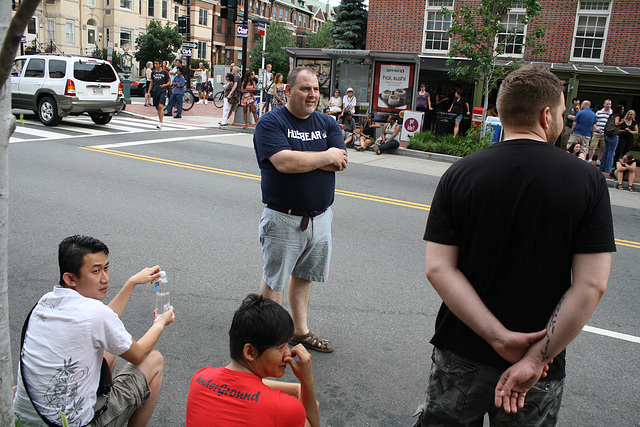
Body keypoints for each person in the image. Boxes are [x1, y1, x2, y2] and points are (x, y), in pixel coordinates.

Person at [413, 64, 615, 426]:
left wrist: (499, 337)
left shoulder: (460, 174)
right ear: (547, 114)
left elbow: (439, 268)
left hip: (463, 351)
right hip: (539, 363)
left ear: (501, 114)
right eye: (564, 113)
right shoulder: (587, 181)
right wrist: (536, 358)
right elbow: (592, 284)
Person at [14, 235, 175, 427]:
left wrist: (131, 283)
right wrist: (160, 323)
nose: (105, 278)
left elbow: (103, 320)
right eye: (96, 271)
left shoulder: (45, 302)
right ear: (70, 278)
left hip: (26, 419)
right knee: (153, 360)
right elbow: (138, 353)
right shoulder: (95, 314)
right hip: (68, 424)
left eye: (106, 268)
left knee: (108, 354)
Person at [253, 66, 348, 353]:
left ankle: (299, 331)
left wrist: (310, 159)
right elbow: (284, 163)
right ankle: (270, 340)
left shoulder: (327, 123)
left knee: (305, 276)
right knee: (275, 280)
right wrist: (324, 156)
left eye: (316, 89)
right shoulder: (271, 123)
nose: (312, 94)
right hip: (284, 218)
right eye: (305, 88)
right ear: (288, 91)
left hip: (320, 218)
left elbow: (340, 161)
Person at [185, 294, 319, 427]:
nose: (288, 353)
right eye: (281, 347)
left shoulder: (200, 377)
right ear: (250, 352)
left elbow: (241, 384)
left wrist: (296, 389)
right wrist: (307, 381)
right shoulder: (283, 407)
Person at [599, 104, 624, 174]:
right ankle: (608, 169)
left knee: (606, 151)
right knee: (611, 152)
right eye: (622, 109)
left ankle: (602, 167)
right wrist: (621, 122)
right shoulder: (617, 116)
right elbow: (616, 123)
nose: (623, 111)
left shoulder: (611, 115)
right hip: (613, 136)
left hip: (607, 135)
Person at [148, 59, 171, 129]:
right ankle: (160, 119)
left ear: (160, 64)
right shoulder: (153, 72)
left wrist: (165, 85)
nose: (155, 65)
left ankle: (161, 122)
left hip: (162, 90)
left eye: (157, 64)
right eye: (155, 64)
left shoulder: (164, 72)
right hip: (155, 91)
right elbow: (151, 82)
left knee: (161, 105)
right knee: (157, 106)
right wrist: (149, 91)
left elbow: (169, 81)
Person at [588, 99, 613, 164]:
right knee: (593, 146)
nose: (608, 105)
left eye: (609, 104)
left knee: (603, 147)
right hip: (597, 132)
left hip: (605, 134)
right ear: (604, 104)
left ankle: (598, 160)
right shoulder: (599, 112)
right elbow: (594, 121)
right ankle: (590, 159)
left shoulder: (612, 113)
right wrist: (595, 127)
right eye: (607, 104)